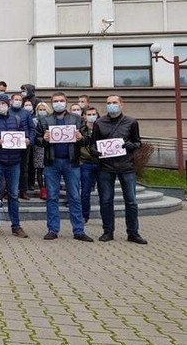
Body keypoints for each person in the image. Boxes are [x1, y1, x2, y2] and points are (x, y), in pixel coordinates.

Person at [36, 92, 93, 242]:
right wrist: (44, 139)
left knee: (74, 196)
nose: (58, 103)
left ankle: (79, 230)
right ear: (51, 103)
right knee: (52, 197)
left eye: (61, 100)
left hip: (71, 162)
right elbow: (36, 139)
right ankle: (53, 229)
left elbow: (87, 139)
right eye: (55, 101)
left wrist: (81, 138)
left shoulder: (77, 119)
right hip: (52, 163)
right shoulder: (44, 120)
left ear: (66, 102)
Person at [92, 95, 147, 244]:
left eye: (114, 102)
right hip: (106, 167)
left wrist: (132, 146)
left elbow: (138, 142)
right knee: (106, 201)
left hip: (126, 167)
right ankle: (108, 231)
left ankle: (133, 233)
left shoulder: (131, 122)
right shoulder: (99, 123)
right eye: (109, 103)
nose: (111, 105)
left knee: (131, 202)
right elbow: (93, 144)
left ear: (122, 104)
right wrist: (95, 151)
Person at [0, 94, 29, 238]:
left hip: (14, 162)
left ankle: (16, 226)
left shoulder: (17, 119)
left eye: (3, 103)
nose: (1, 106)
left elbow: (26, 134)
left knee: (14, 195)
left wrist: (27, 140)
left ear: (8, 104)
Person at [9, 92, 35, 200]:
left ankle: (23, 191)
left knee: (24, 168)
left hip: (24, 144)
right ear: (11, 101)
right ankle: (9, 190)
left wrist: (30, 140)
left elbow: (32, 128)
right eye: (16, 99)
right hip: (10, 145)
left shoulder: (26, 113)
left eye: (20, 100)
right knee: (10, 168)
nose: (18, 102)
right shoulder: (7, 112)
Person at [79, 106, 100, 224]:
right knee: (85, 191)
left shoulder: (102, 128)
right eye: (89, 114)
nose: (92, 117)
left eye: (94, 114)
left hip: (100, 163)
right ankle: (84, 215)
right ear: (84, 116)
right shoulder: (81, 130)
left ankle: (106, 216)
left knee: (104, 192)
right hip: (86, 162)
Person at [33, 102, 50, 200]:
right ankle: (42, 190)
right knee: (39, 169)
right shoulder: (34, 121)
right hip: (38, 146)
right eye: (40, 110)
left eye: (44, 109)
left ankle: (48, 188)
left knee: (48, 169)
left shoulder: (50, 120)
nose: (42, 111)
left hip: (49, 146)